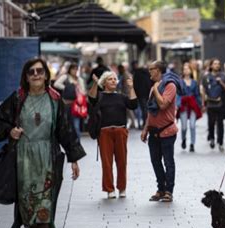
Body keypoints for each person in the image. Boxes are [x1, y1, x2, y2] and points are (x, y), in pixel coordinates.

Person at [0, 58, 85, 228]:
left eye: (40, 71)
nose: (36, 75)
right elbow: (1, 118)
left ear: (46, 75)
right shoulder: (17, 99)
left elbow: (66, 130)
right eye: (31, 72)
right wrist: (11, 130)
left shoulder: (55, 100)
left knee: (44, 206)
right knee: (27, 208)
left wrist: (74, 159)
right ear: (26, 76)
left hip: (47, 159)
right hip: (23, 159)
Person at [88, 71, 138, 199]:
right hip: (104, 132)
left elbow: (133, 104)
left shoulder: (121, 97)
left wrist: (131, 88)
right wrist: (95, 83)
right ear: (104, 82)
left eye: (115, 79)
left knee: (122, 162)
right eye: (110, 79)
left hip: (120, 131)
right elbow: (91, 98)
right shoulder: (100, 96)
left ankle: (122, 188)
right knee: (107, 162)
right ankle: (109, 189)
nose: (113, 81)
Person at [141, 60, 180, 203]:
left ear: (158, 70)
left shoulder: (170, 86)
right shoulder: (154, 87)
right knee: (155, 161)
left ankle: (169, 191)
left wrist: (156, 89)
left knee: (168, 162)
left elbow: (163, 105)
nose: (149, 71)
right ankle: (161, 189)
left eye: (151, 69)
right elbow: (151, 111)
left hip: (167, 132)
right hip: (153, 132)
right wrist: (145, 128)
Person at [202, 58, 225, 151]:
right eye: (215, 64)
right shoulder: (206, 76)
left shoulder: (223, 76)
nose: (217, 65)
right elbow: (203, 89)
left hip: (221, 103)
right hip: (210, 103)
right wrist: (204, 102)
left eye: (218, 64)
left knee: (220, 123)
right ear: (211, 65)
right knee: (211, 123)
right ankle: (211, 138)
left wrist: (221, 82)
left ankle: (221, 142)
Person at [53, 63, 87, 138]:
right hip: (66, 104)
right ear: (70, 70)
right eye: (73, 69)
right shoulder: (65, 77)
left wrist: (77, 89)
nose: (75, 71)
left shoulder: (80, 79)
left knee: (76, 126)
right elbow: (56, 84)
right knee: (66, 125)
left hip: (77, 105)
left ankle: (77, 144)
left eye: (76, 69)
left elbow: (83, 92)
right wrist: (66, 88)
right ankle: (69, 144)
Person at [177, 63, 203, 152]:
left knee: (192, 125)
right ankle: (183, 139)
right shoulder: (180, 82)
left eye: (188, 69)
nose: (186, 70)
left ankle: (192, 144)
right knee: (184, 126)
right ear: (183, 71)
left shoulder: (194, 82)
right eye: (184, 69)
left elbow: (197, 94)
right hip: (183, 105)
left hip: (193, 105)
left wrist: (200, 104)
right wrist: (177, 104)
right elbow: (178, 94)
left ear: (191, 70)